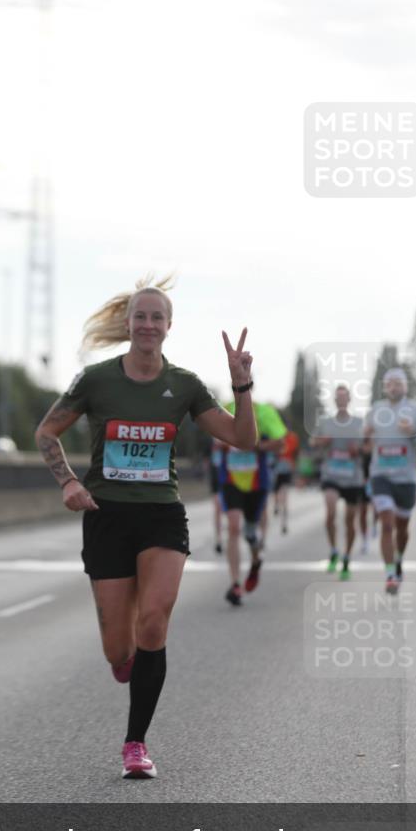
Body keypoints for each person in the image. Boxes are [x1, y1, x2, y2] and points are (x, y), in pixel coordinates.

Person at [35, 277, 257, 778]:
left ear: (169, 327)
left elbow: (243, 439)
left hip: (161, 512)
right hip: (107, 515)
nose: (149, 325)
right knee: (120, 648)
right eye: (141, 316)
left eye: (158, 317)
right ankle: (125, 657)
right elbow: (47, 431)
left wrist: (241, 383)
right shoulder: (95, 381)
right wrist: (68, 482)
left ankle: (135, 743)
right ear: (129, 324)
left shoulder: (184, 385)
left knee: (154, 620)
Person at [364, 368, 416, 594]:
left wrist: (413, 431)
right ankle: (390, 575)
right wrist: (364, 437)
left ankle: (398, 559)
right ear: (385, 387)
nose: (394, 387)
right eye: (389, 383)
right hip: (381, 476)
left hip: (406, 479)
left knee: (402, 528)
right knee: (386, 523)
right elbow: (364, 444)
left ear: (405, 386)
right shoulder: (375, 410)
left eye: (398, 383)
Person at [217, 401, 286, 605]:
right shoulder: (224, 409)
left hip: (257, 483)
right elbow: (215, 439)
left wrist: (253, 444)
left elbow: (281, 443)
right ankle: (235, 584)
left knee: (249, 532)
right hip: (231, 480)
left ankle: (256, 560)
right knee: (233, 527)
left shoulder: (264, 413)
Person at [312, 384, 365, 580]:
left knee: (350, 520)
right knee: (331, 512)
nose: (341, 401)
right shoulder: (325, 422)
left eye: (344, 397)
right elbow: (313, 442)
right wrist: (321, 442)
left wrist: (358, 451)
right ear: (335, 401)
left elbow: (368, 447)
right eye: (338, 398)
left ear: (349, 400)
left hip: (352, 477)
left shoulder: (359, 423)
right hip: (331, 474)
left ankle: (346, 557)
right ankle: (334, 549)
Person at [273, 427, 300, 534]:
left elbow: (296, 453)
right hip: (280, 467)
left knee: (283, 495)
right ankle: (278, 508)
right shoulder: (278, 436)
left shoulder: (291, 437)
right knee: (280, 494)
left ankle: (283, 521)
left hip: (285, 467)